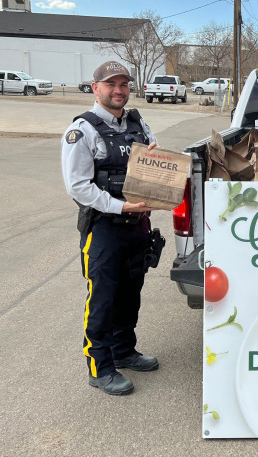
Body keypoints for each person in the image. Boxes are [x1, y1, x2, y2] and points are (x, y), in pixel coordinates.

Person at [62, 61, 162, 396]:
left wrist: (155, 160)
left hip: (137, 225)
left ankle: (124, 351)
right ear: (95, 88)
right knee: (102, 299)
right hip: (103, 229)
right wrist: (121, 205)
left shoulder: (137, 122)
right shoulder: (82, 131)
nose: (118, 90)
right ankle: (100, 367)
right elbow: (79, 187)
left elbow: (154, 155)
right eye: (110, 84)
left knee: (130, 295)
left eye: (124, 84)